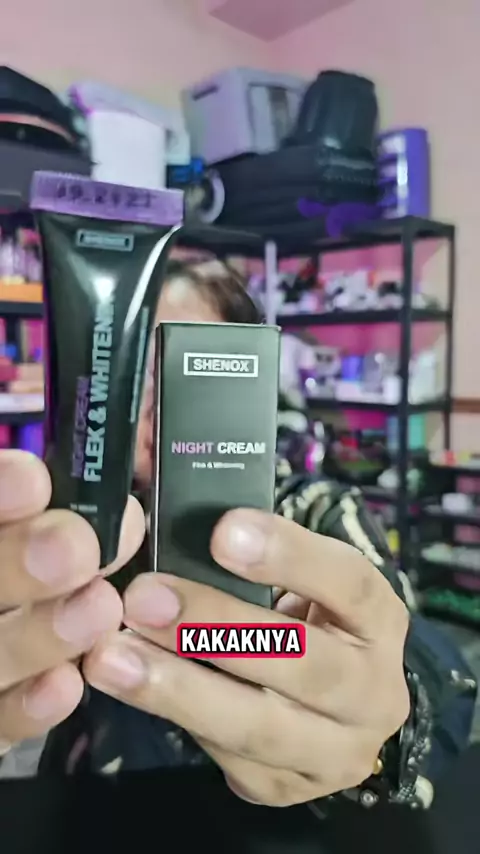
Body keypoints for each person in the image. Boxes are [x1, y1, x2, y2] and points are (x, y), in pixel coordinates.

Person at [0, 260, 475, 844]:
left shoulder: (312, 512)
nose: (155, 410)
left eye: (186, 369)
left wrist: (383, 725)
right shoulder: (64, 535)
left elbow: (414, 656)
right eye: (132, 377)